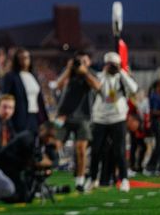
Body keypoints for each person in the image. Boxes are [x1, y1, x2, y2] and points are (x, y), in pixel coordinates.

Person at [85, 52, 138, 193]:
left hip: (118, 118)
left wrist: (121, 72)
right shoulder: (100, 76)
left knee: (119, 150)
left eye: (114, 64)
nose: (112, 67)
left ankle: (124, 179)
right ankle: (92, 178)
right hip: (100, 118)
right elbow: (97, 87)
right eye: (109, 64)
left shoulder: (122, 77)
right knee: (96, 150)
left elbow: (134, 88)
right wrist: (105, 72)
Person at [54, 51, 100, 191]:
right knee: (54, 144)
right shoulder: (69, 73)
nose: (80, 63)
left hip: (83, 117)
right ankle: (48, 176)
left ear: (89, 62)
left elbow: (97, 87)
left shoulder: (90, 73)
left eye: (84, 61)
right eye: (79, 61)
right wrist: (69, 69)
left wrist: (85, 72)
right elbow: (58, 85)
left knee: (80, 150)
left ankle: (79, 181)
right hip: (64, 116)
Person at [0, 48, 48, 133]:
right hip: (20, 117)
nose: (24, 60)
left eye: (26, 57)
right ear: (17, 60)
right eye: (21, 58)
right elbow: (6, 97)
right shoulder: (11, 76)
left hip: (35, 116)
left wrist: (43, 119)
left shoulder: (33, 75)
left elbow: (39, 99)